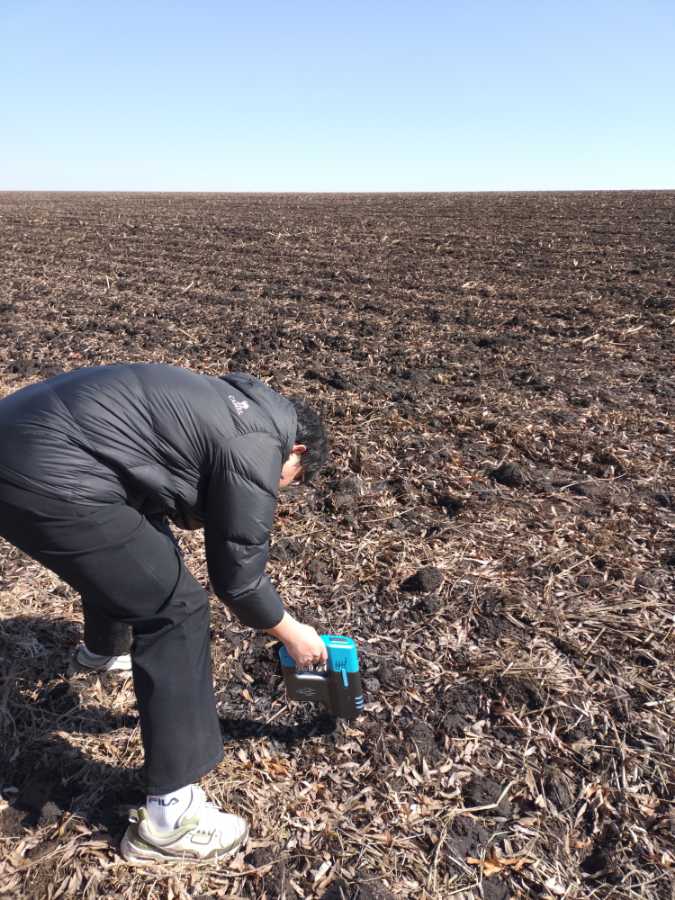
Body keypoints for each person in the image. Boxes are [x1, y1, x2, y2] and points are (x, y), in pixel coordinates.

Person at [0, 362, 329, 864]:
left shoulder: (229, 405)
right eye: (289, 480)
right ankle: (171, 819)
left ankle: (103, 652)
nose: (279, 488)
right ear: (296, 451)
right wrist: (291, 631)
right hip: (46, 468)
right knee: (178, 608)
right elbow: (238, 580)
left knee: (139, 554)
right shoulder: (258, 443)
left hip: (22, 440)